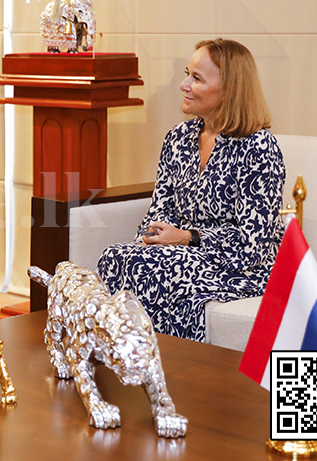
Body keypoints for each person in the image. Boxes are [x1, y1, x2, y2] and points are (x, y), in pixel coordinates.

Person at [96, 38, 285, 342]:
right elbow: (160, 209)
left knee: (153, 269)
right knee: (114, 257)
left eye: (196, 78)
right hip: (181, 253)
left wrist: (187, 238)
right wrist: (150, 238)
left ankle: (164, 368)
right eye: (187, 73)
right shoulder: (178, 138)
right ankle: (120, 360)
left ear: (230, 90)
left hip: (244, 267)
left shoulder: (259, 147)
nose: (184, 84)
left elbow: (253, 244)